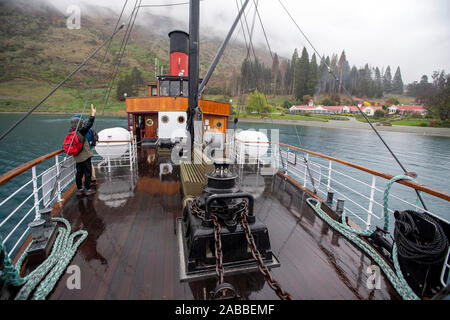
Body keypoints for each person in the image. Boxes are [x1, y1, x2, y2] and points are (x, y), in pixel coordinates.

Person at [71, 104, 96, 196]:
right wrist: (92, 114)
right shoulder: (81, 132)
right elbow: (89, 124)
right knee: (88, 172)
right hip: (85, 156)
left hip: (77, 156)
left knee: (79, 172)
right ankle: (88, 188)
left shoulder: (71, 132)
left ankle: (79, 188)